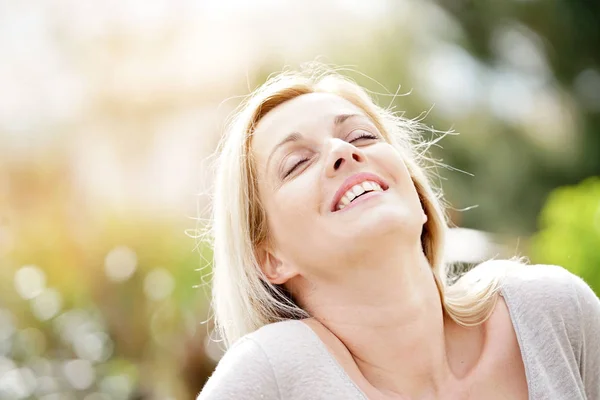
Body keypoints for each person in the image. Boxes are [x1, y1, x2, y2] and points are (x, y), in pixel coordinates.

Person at [197, 64, 600, 399]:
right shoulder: (273, 374)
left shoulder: (552, 310)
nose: (343, 151)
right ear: (270, 258)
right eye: (297, 162)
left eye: (361, 135)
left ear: (414, 190)